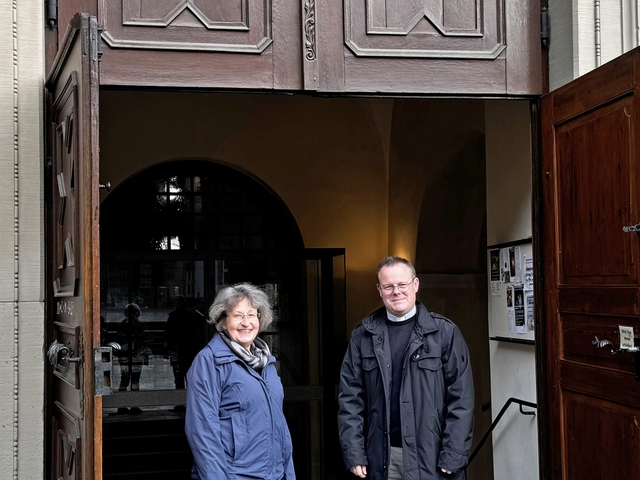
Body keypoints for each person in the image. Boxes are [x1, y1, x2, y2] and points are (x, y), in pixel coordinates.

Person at [338, 256, 474, 480]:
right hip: (382, 459)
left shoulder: (444, 333)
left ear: (415, 284)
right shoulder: (363, 336)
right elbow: (350, 399)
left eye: (402, 284)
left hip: (433, 458)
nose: (396, 292)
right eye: (388, 286)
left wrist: (454, 453)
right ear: (379, 290)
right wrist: (354, 452)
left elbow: (462, 398)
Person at [185, 283, 295, 480]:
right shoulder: (209, 361)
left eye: (252, 315)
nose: (246, 323)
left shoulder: (266, 362)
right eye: (237, 315)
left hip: (275, 475)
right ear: (222, 321)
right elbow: (202, 432)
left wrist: (289, 474)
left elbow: (280, 426)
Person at [165, 295, 206, 390]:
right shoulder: (190, 316)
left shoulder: (173, 316)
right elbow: (195, 333)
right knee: (188, 373)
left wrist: (168, 348)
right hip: (188, 349)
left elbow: (168, 333)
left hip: (178, 348)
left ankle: (180, 395)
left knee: (178, 375)